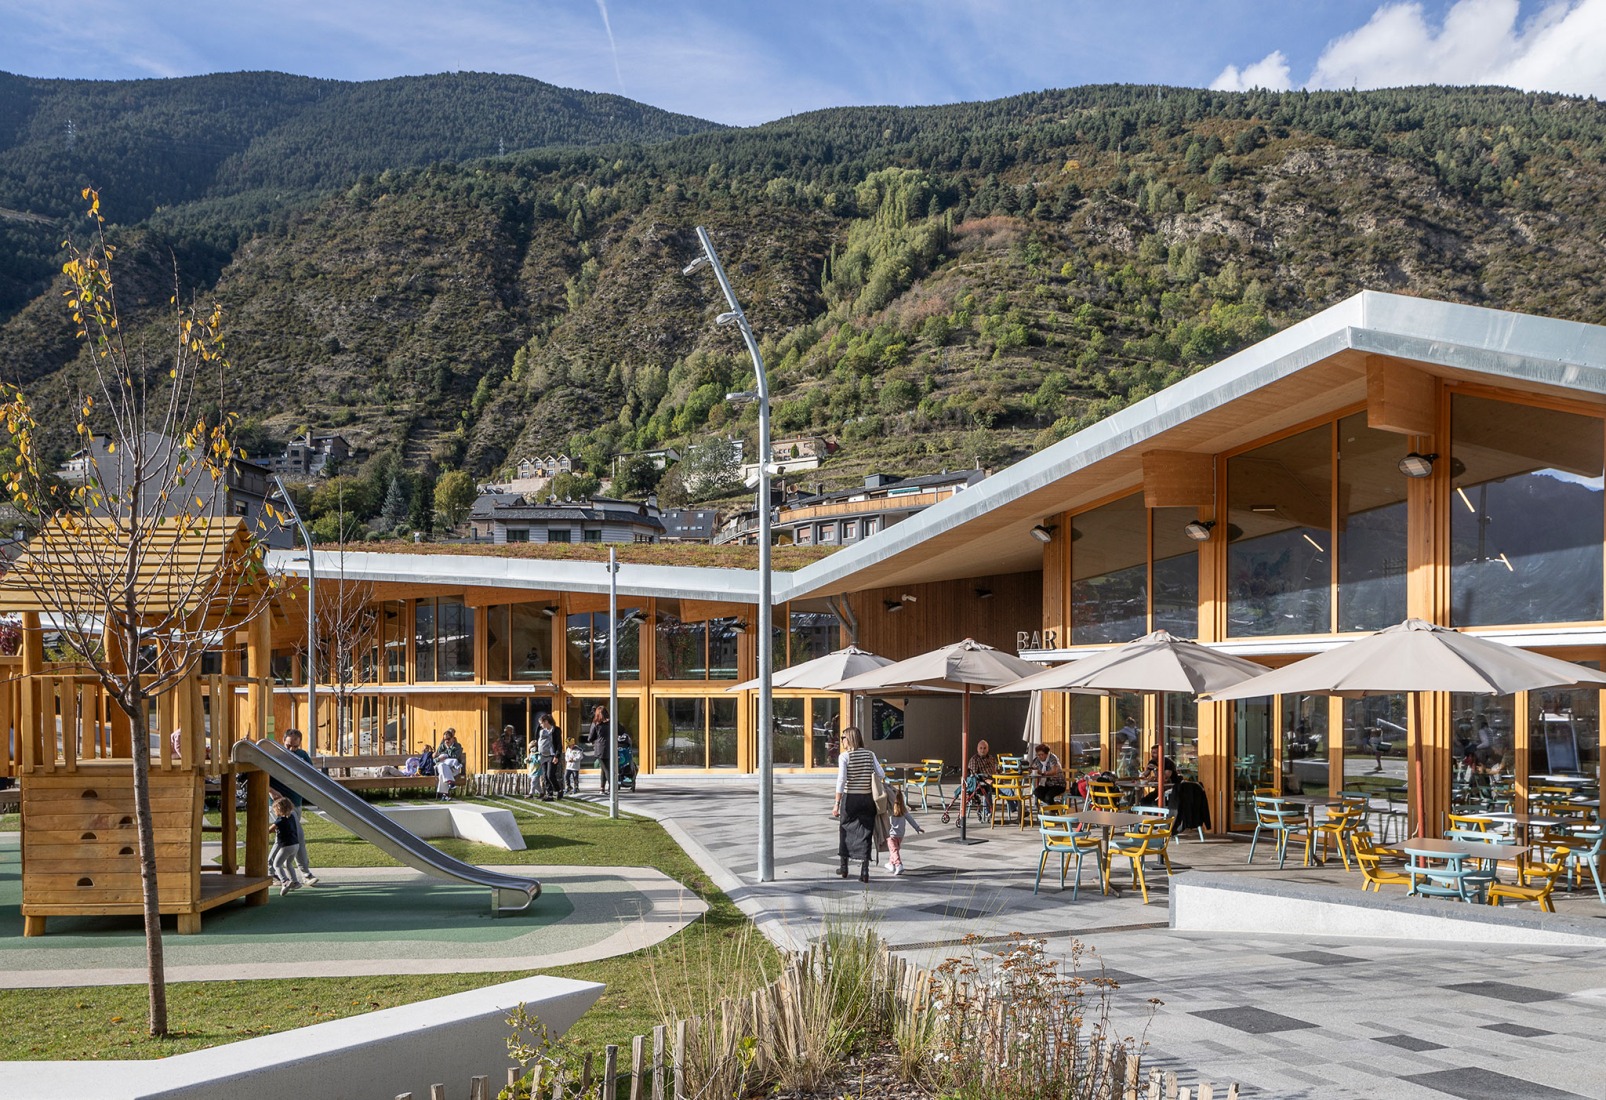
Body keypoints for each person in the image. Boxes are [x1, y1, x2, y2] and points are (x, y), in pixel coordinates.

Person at [831, 726, 885, 883]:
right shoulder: (870, 754)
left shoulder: (845, 757)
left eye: (843, 738)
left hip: (851, 799)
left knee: (845, 829)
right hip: (867, 798)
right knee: (866, 832)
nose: (841, 741)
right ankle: (865, 871)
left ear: (849, 739)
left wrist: (836, 803)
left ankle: (844, 866)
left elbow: (841, 781)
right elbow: (880, 774)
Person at [266, 729, 317, 885]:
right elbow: (262, 777)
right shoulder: (274, 756)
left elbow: (311, 775)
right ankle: (305, 874)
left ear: (299, 744)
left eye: (295, 747)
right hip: (280, 805)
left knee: (283, 839)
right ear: (283, 740)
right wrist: (272, 791)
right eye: (288, 746)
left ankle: (271, 871)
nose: (291, 750)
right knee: (297, 836)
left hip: (296, 802)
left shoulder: (302, 756)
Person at [269, 795, 303, 896]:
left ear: (279, 810)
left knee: (277, 864)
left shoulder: (279, 821)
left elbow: (269, 830)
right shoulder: (292, 817)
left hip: (286, 846)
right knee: (288, 864)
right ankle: (295, 882)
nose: (274, 812)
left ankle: (285, 881)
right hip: (295, 845)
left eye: (275, 810)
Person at [886, 786, 923, 876]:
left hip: (891, 834)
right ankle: (891, 863)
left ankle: (898, 864)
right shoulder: (903, 810)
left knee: (894, 850)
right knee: (894, 849)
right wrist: (917, 828)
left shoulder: (889, 810)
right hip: (901, 834)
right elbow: (910, 819)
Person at [965, 739, 998, 820]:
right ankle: (988, 813)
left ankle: (1015, 809)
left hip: (995, 781)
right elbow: (973, 776)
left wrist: (998, 776)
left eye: (984, 748)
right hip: (981, 785)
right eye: (981, 748)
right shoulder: (974, 759)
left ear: (988, 749)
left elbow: (997, 770)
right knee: (988, 789)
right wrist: (985, 780)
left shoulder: (991, 758)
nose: (983, 750)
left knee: (1009, 789)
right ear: (977, 749)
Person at [590, 706, 613, 792]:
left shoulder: (596, 724)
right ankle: (602, 787)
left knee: (606, 769)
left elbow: (590, 737)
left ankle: (612, 787)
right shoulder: (611, 723)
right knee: (604, 768)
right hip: (610, 747)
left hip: (600, 748)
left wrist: (594, 741)